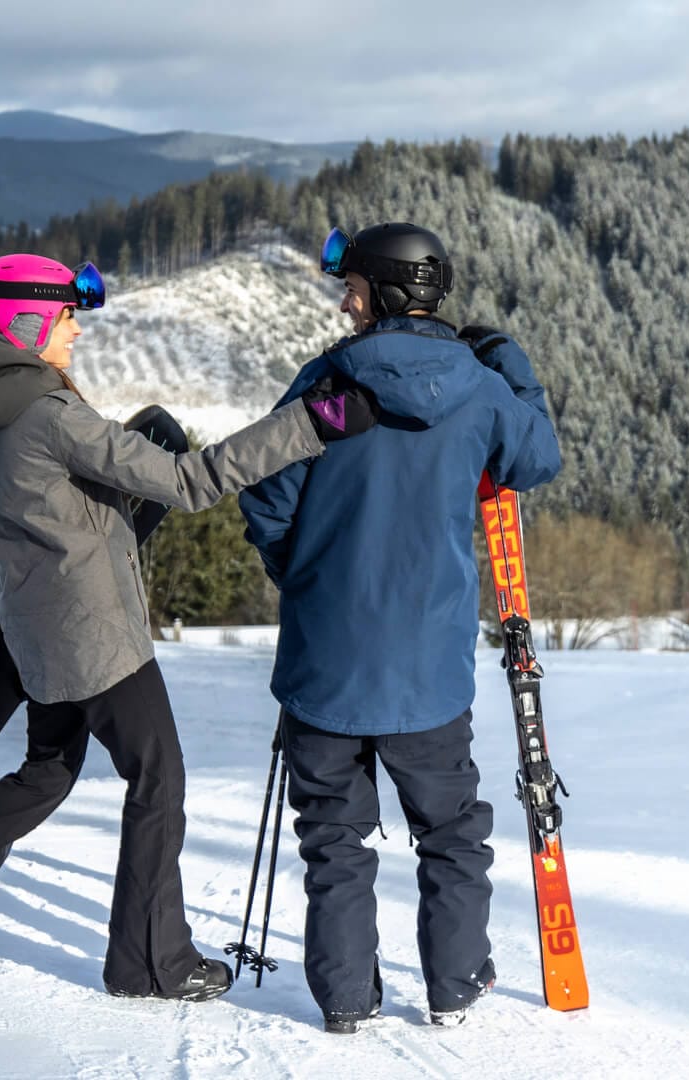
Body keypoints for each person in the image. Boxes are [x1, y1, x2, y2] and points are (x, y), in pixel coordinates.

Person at [0, 253, 379, 1002]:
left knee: (45, 775)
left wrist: (6, 624)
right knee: (157, 780)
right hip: (98, 638)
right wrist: (311, 422)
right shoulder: (50, 415)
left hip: (38, 633)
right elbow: (188, 482)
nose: (75, 334)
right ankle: (150, 962)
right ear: (32, 323)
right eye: (68, 318)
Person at [238, 223, 562, 1032]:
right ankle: (455, 985)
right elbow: (536, 459)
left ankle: (347, 998)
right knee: (451, 835)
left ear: (383, 292)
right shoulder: (481, 389)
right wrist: (511, 361)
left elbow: (265, 499)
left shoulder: (328, 386)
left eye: (351, 288)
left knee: (334, 841)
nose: (343, 303)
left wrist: (305, 580)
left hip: (324, 667)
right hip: (430, 670)